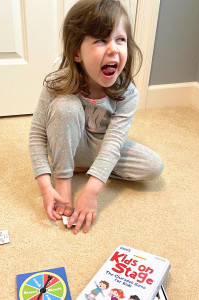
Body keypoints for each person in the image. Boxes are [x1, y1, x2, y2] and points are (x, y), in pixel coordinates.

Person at [29, 0, 163, 234]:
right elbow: (37, 135)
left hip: (100, 148)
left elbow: (113, 144)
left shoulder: (128, 93)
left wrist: (92, 191)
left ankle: (86, 167)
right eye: (101, 40)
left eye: (120, 40)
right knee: (65, 107)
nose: (113, 48)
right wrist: (46, 184)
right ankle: (66, 176)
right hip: (66, 143)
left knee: (153, 166)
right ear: (77, 53)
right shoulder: (58, 82)